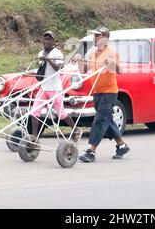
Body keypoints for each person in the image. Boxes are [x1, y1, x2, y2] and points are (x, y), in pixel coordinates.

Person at [72, 26, 130, 162]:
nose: (95, 38)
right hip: (97, 92)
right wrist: (80, 59)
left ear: (105, 38)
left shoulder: (111, 53)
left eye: (98, 36)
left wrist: (112, 63)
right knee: (107, 120)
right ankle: (122, 145)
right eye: (95, 36)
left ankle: (91, 151)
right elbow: (83, 71)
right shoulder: (93, 53)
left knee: (99, 120)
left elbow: (120, 70)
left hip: (109, 92)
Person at [30, 31, 82, 142]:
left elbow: (58, 69)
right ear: (42, 41)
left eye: (49, 39)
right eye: (45, 39)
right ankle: (34, 138)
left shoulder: (57, 54)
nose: (47, 41)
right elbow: (41, 69)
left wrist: (48, 60)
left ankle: (75, 130)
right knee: (34, 112)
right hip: (43, 87)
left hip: (55, 89)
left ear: (54, 41)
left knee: (61, 115)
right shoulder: (40, 53)